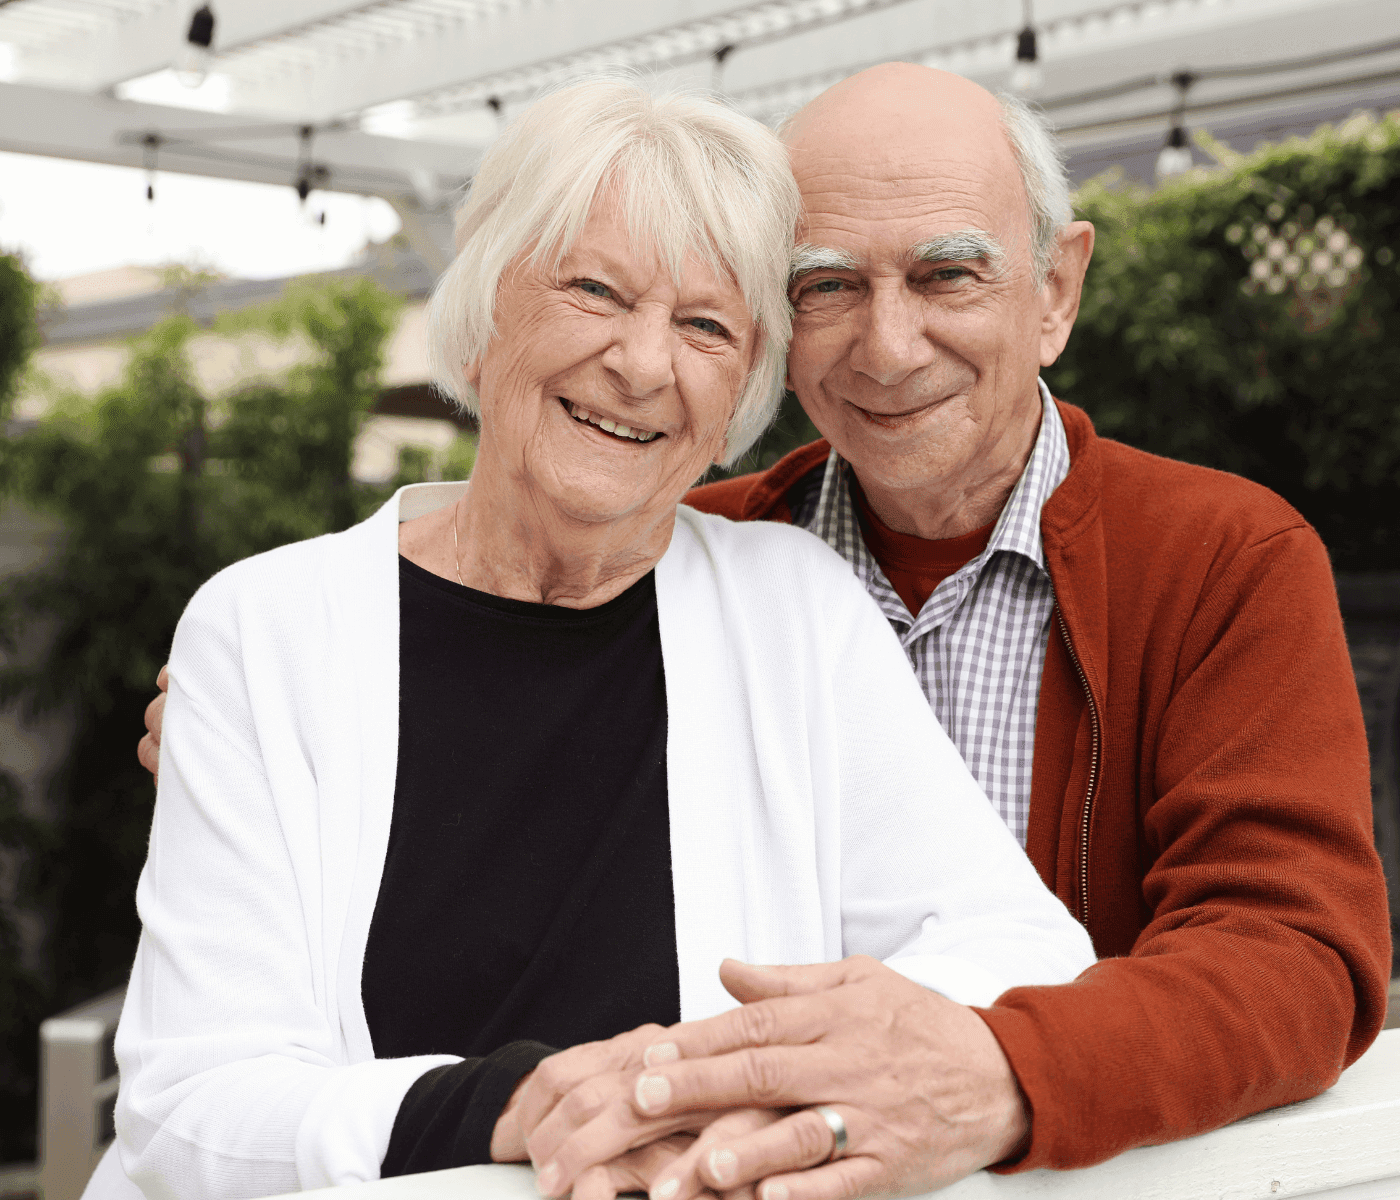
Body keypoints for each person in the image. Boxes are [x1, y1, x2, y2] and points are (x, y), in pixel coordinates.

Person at [106, 78, 1096, 1199]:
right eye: (594, 290)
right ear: (483, 321)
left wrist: (756, 1079)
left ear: (736, 404)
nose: (641, 363)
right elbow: (190, 1107)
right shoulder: (266, 630)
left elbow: (1021, 950)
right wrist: (522, 1106)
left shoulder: (793, 607)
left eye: (704, 326)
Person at [454, 62, 1392, 1200]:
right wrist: (267, 711)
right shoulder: (681, 553)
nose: (886, 348)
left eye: (945, 274)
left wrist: (995, 1074)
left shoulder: (1218, 559)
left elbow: (1293, 959)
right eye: (825, 286)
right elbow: (477, 623)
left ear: (1055, 291)